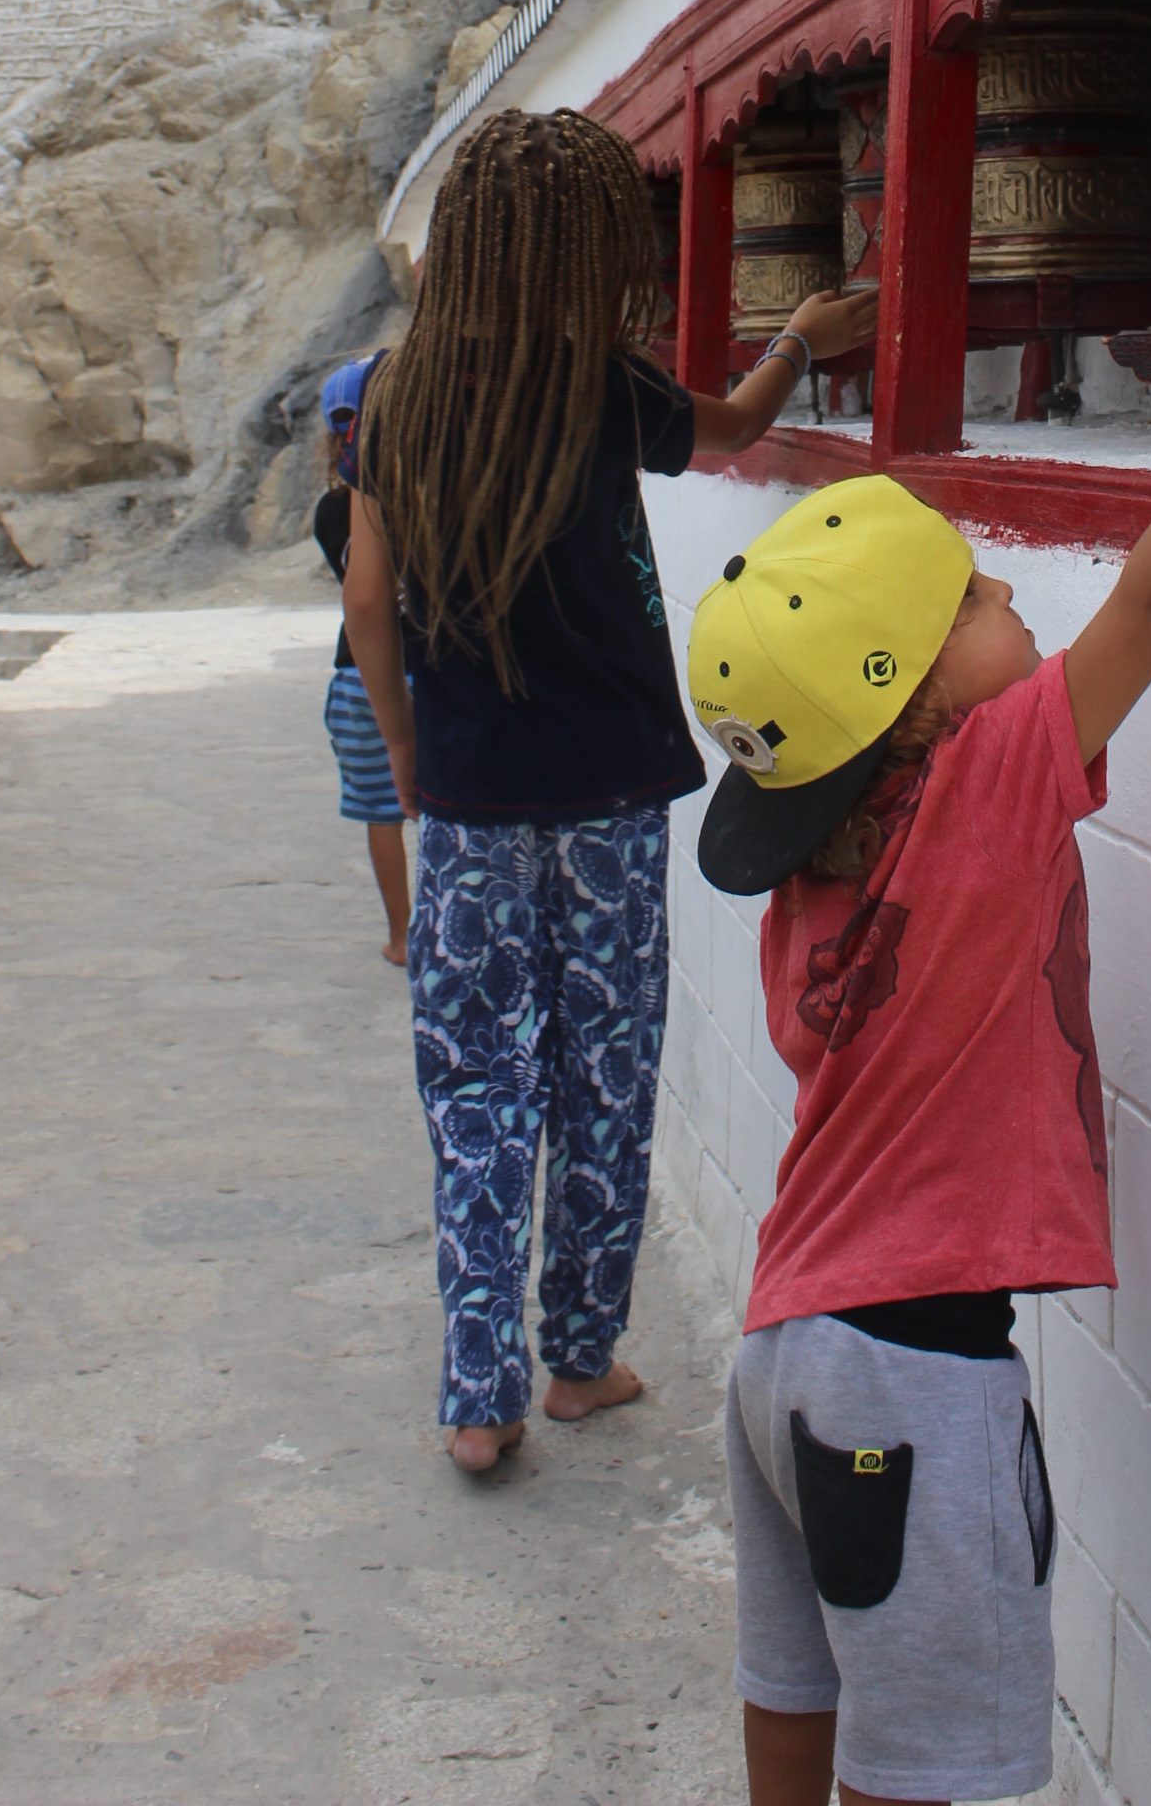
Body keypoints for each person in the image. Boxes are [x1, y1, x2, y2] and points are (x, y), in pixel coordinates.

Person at [688, 369, 1151, 1806]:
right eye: (972, 599)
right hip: (914, 1378)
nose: (1008, 597)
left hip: (784, 1354)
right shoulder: (988, 785)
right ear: (914, 702)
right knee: (919, 1761)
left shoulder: (808, 889)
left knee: (796, 1687)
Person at [344, 104, 877, 1476]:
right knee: (606, 1066)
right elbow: (739, 427)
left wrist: (404, 752)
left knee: (476, 1082)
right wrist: (800, 337)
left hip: (469, 803)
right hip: (609, 803)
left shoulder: (394, 395)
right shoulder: (599, 384)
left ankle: (479, 1394)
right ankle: (580, 1359)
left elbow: (367, 601)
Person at [312, 356, 409, 966]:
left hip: (359, 674)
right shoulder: (425, 494)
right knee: (447, 810)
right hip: (432, 666)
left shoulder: (330, 512)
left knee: (381, 812)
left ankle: (402, 935)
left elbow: (362, 597)